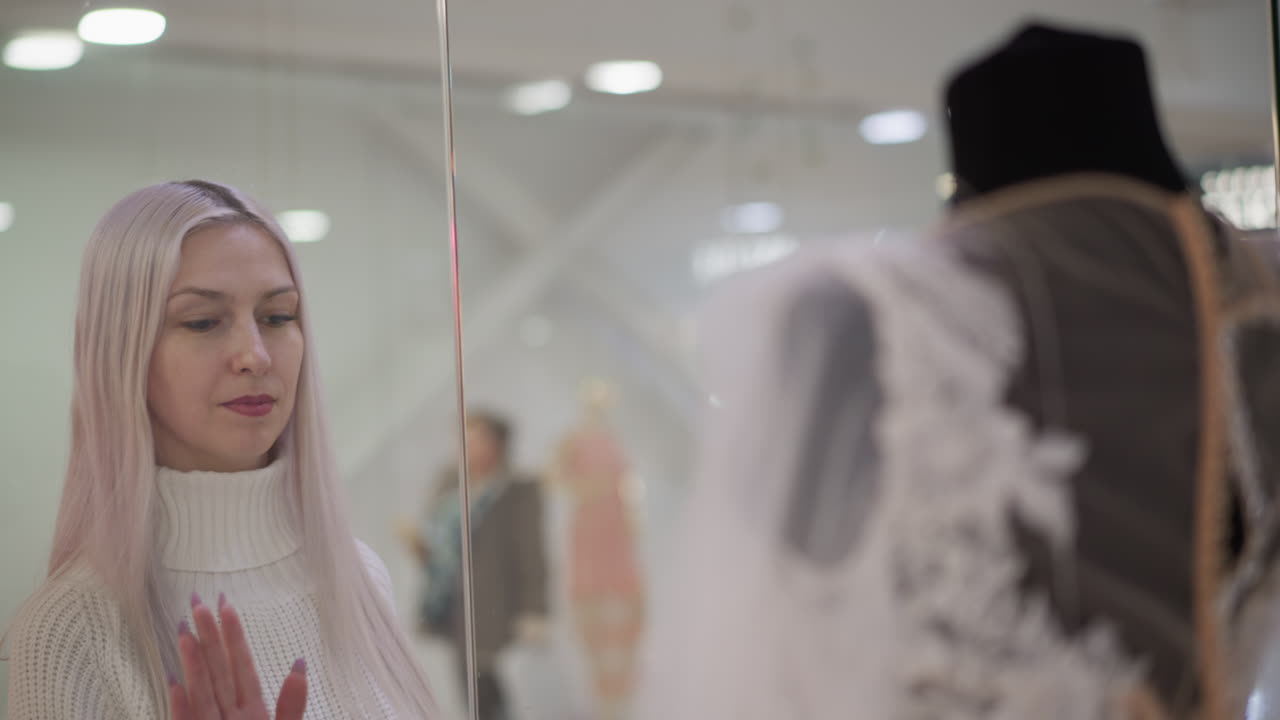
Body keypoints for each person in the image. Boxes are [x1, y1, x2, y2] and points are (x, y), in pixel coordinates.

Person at [2, 180, 436, 719]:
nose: (254, 356)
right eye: (202, 322)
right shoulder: (72, 632)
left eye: (277, 317)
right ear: (121, 351)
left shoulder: (359, 576)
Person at [406, 411, 548, 720]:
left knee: (482, 672)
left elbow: (531, 551)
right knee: (468, 673)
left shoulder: (517, 488)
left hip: (495, 599)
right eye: (465, 439)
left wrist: (535, 610)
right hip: (452, 597)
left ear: (497, 444)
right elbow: (435, 537)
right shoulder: (450, 479)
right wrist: (420, 546)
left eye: (477, 439)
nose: (468, 446)